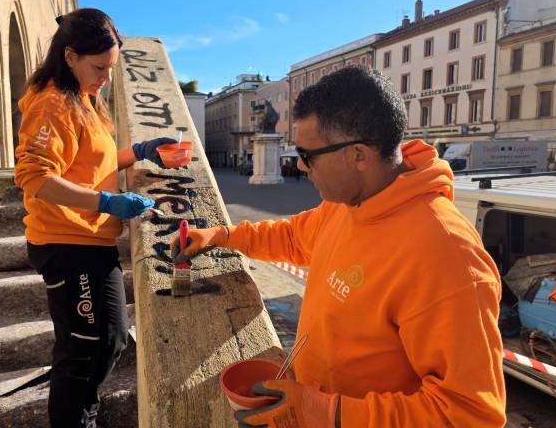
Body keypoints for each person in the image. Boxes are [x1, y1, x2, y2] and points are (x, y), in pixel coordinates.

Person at [171, 67, 506, 427]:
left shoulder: (447, 254)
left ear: (359, 154)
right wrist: (221, 236)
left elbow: (472, 414)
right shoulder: (348, 203)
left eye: (308, 155)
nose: (301, 166)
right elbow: (291, 237)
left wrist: (325, 411)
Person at [14, 9, 177, 428]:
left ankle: (83, 416)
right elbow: (34, 177)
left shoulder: (83, 97)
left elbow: (92, 161)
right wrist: (106, 202)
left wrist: (138, 152)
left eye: (112, 67)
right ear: (70, 56)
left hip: (91, 240)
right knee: (85, 349)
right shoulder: (53, 103)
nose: (106, 77)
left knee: (109, 341)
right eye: (99, 67)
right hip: (66, 243)